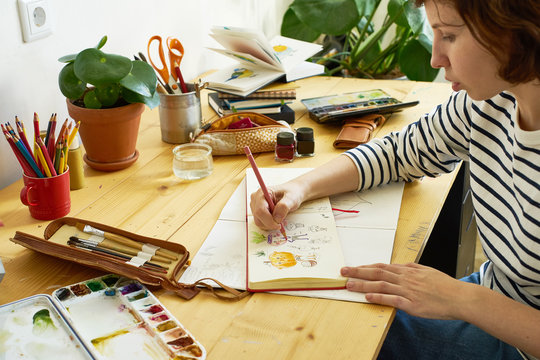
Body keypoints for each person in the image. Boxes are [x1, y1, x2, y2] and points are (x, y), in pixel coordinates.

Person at [249, 0, 540, 358]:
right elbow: (400, 152)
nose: (435, 59)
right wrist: (299, 187)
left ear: (514, 30)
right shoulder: (491, 102)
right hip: (494, 298)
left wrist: (465, 300)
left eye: (449, 35)